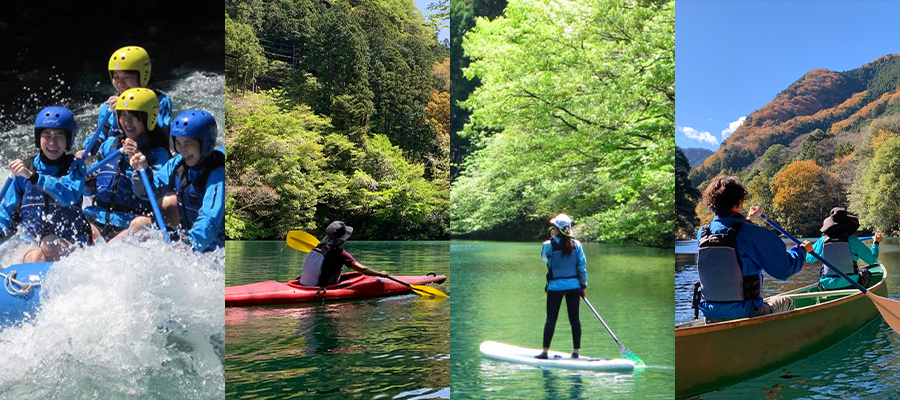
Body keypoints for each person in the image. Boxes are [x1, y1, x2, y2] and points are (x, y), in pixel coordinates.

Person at [694, 176, 813, 323]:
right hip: (747, 313)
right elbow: (785, 269)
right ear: (738, 202)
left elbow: (731, 232)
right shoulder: (752, 233)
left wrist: (749, 219)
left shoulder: (703, 233)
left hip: (711, 315)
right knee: (787, 302)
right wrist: (801, 251)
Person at [0, 106, 90, 262]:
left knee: (49, 243)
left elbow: (69, 196)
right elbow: (7, 213)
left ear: (69, 139)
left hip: (71, 241)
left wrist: (34, 177)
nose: (52, 142)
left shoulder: (76, 166)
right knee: (35, 256)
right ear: (38, 138)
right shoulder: (25, 168)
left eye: (59, 136)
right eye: (46, 135)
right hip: (32, 241)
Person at [130, 110, 225, 252]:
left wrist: (188, 244)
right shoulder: (178, 163)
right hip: (191, 239)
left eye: (188, 143)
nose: (183, 149)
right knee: (139, 229)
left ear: (205, 144)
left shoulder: (219, 173)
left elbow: (210, 218)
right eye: (178, 143)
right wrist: (142, 170)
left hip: (217, 249)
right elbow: (148, 192)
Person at [83, 88, 170, 242]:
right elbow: (90, 190)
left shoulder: (158, 154)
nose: (127, 122)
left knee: (140, 225)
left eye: (134, 117)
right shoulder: (110, 145)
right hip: (98, 217)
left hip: (130, 222)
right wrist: (84, 175)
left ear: (148, 118)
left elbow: (149, 193)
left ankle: (106, 252)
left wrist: (139, 167)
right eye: (123, 115)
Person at [79, 46, 172, 159]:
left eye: (126, 77)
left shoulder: (161, 101)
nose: (120, 83)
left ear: (143, 75)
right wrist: (88, 150)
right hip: (116, 161)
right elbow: (101, 134)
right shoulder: (108, 107)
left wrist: (127, 106)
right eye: (116, 77)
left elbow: (157, 130)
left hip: (148, 159)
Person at [535, 213, 587, 360]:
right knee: (574, 319)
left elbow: (544, 258)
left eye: (553, 227)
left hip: (555, 287)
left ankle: (545, 352)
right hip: (574, 287)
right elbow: (582, 267)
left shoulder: (548, 245)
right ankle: (576, 352)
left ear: (557, 229)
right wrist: (583, 286)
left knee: (551, 319)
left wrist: (552, 238)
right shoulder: (577, 245)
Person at [806, 207, 882, 290]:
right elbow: (871, 260)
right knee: (866, 274)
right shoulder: (853, 241)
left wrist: (807, 248)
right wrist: (876, 242)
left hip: (827, 285)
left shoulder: (822, 241)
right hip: (850, 283)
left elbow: (810, 259)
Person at [297, 221, 388, 288]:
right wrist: (381, 274)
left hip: (303, 285)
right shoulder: (341, 254)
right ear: (343, 240)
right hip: (320, 288)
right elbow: (363, 270)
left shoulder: (318, 247)